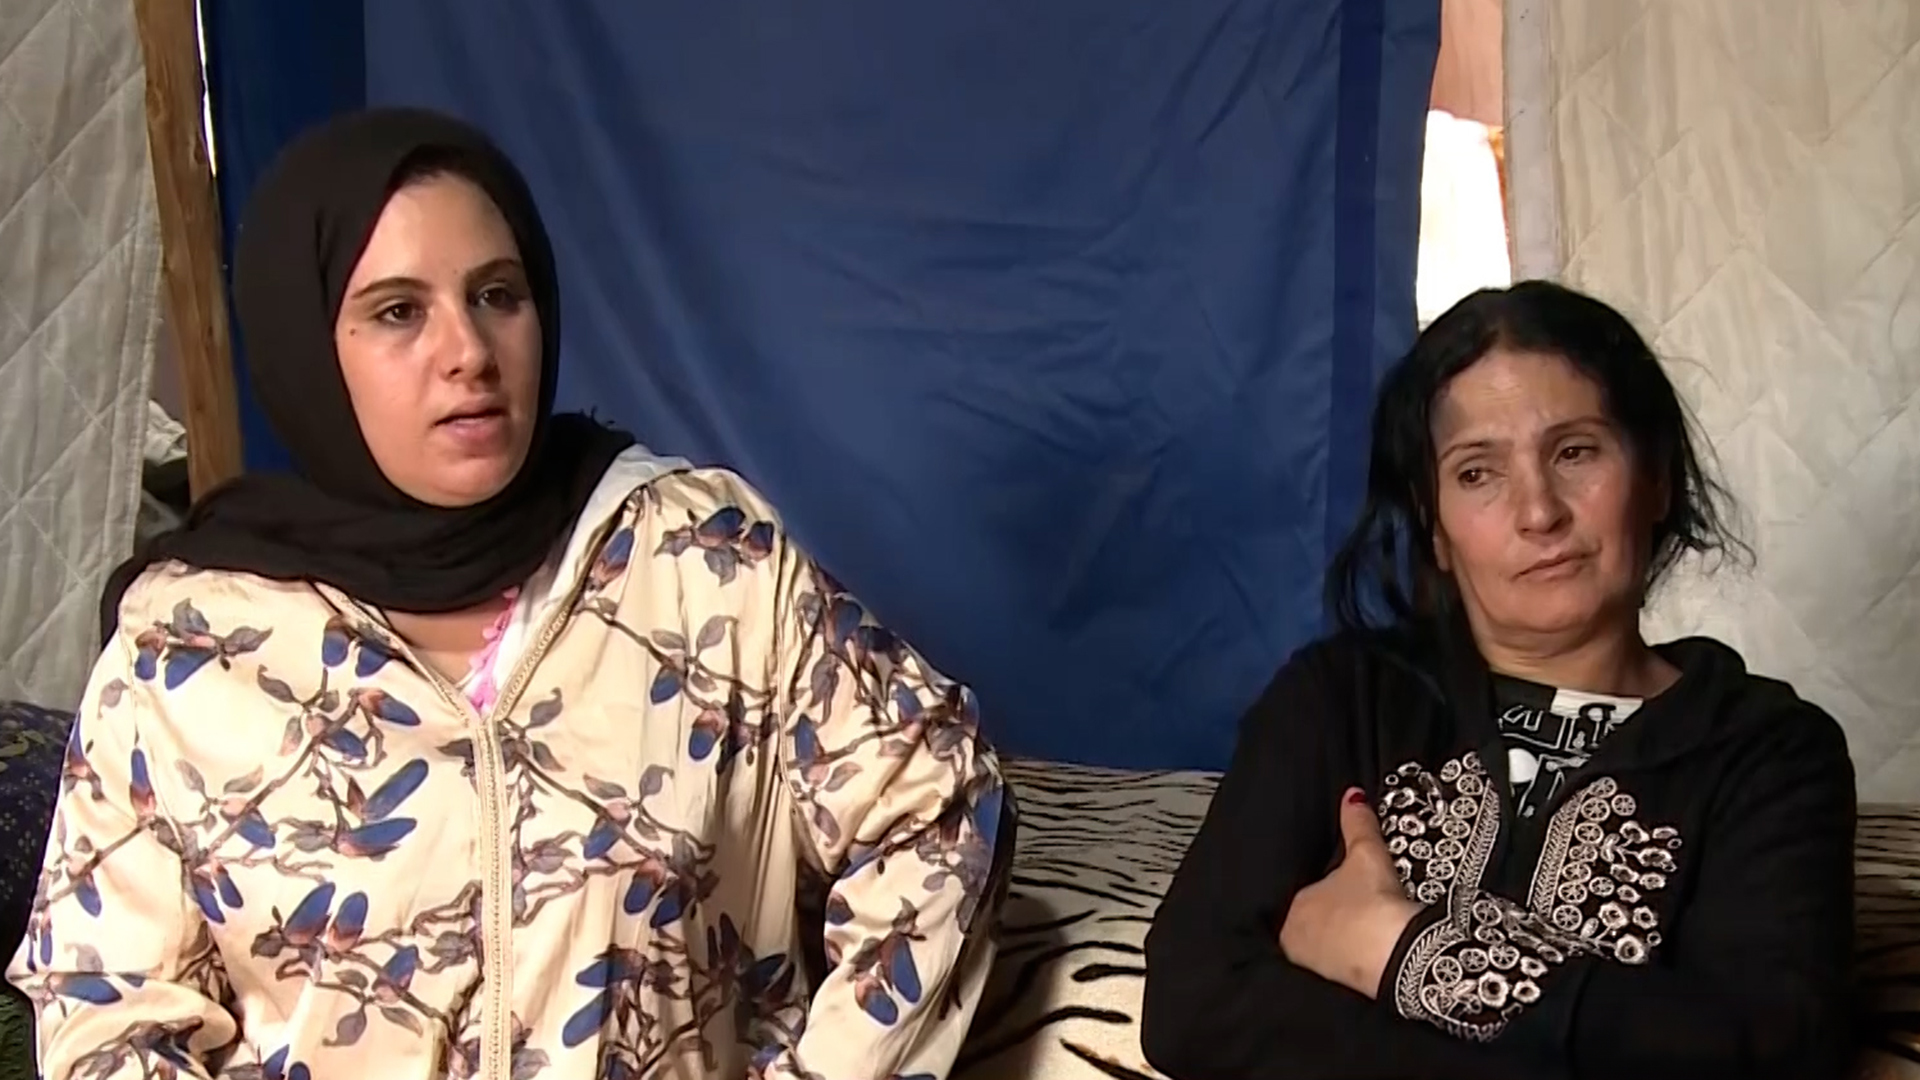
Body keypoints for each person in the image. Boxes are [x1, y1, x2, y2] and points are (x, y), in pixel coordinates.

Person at [8, 107, 1011, 1080]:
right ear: (308, 343)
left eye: (498, 294)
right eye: (398, 312)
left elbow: (938, 805)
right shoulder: (186, 652)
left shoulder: (704, 563)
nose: (470, 353)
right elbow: (104, 1008)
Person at [1141, 281, 1857, 1080]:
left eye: (1575, 452)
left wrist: (1398, 949)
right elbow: (1192, 1001)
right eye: (1477, 473)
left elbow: (1773, 1053)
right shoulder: (1339, 699)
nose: (1539, 512)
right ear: (1435, 528)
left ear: (1656, 477)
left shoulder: (1769, 752)